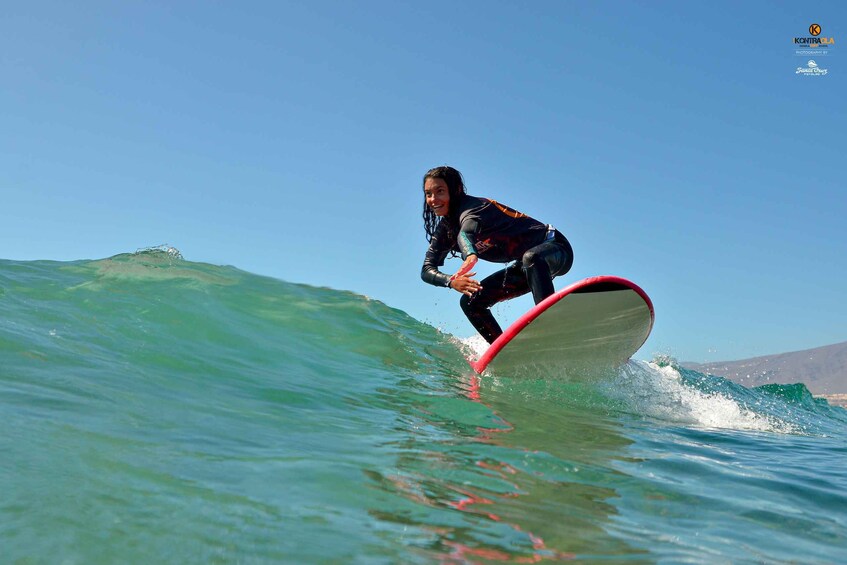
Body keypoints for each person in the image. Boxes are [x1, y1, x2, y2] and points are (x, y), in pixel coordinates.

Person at [420, 165, 574, 344]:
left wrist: (470, 254)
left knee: (531, 257)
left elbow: (466, 232)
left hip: (555, 247)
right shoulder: (445, 231)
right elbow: (426, 269)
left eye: (440, 191)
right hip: (527, 267)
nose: (433, 199)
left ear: (456, 190)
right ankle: (502, 349)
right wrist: (451, 281)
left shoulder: (475, 208)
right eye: (428, 194)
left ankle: (550, 325)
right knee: (471, 302)